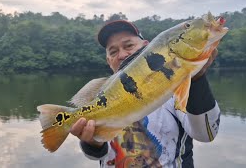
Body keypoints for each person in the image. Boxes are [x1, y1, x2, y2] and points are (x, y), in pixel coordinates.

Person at [70, 20, 221, 167]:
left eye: (129, 45)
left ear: (147, 47)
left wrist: (197, 80)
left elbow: (206, 134)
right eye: (113, 51)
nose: (122, 54)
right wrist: (92, 142)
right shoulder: (101, 96)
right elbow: (99, 155)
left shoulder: (176, 87)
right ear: (108, 60)